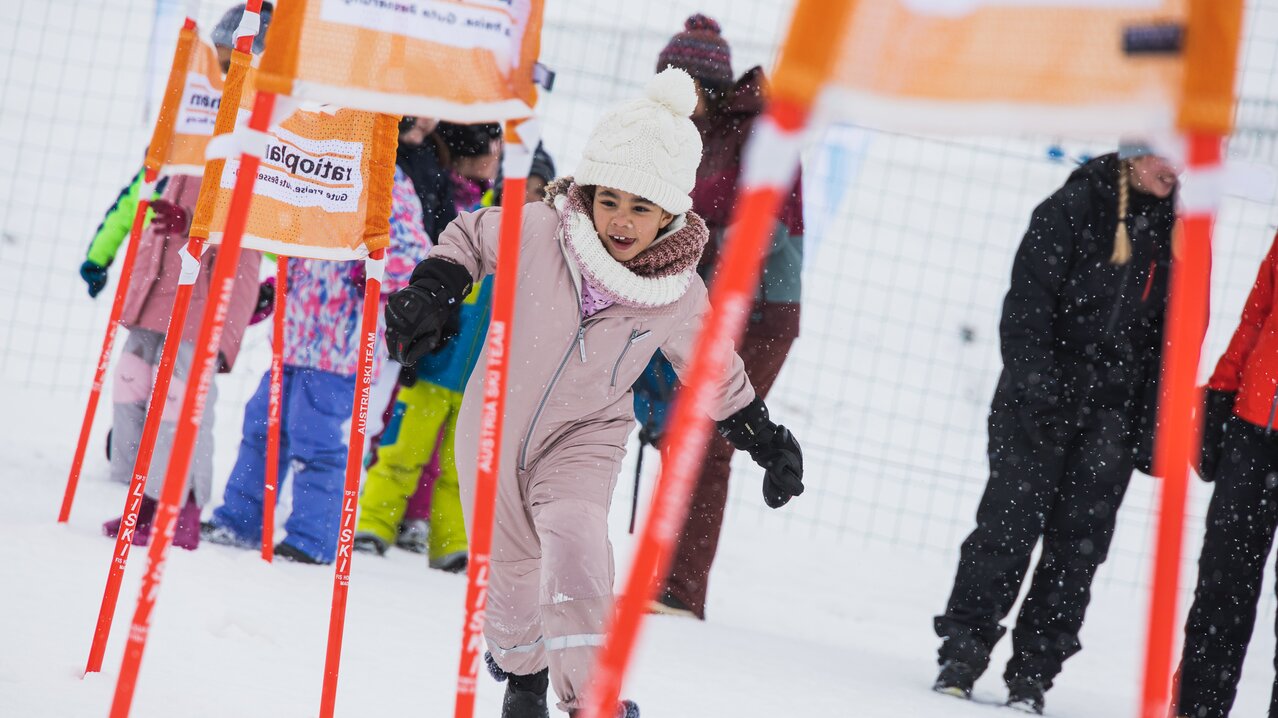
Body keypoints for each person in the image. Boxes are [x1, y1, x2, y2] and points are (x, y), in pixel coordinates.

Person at [383, 69, 806, 717]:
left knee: (578, 545)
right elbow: (470, 236)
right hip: (496, 416)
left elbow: (711, 366)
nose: (622, 221)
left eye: (642, 208)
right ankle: (524, 679)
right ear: (590, 191)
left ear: (670, 213)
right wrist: (432, 290)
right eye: (610, 201)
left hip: (586, 438)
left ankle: (592, 699)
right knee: (511, 571)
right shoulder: (543, 232)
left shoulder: (676, 292)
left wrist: (761, 434)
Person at [930, 144, 1179, 713]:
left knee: (1077, 553)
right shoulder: (1071, 207)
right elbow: (1026, 309)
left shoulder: (1181, 234)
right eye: (1165, 155)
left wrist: (1151, 426)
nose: (1176, 170)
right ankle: (962, 656)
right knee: (1006, 531)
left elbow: (1173, 343)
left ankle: (1034, 677)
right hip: (1038, 407)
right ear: (1135, 154)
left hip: (1111, 422)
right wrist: (1041, 391)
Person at [93, 2, 271, 550]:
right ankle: (141, 490)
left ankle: (182, 504)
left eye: (232, 64)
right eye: (218, 63)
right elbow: (150, 191)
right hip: (161, 283)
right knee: (135, 380)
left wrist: (204, 233)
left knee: (183, 398)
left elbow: (257, 227)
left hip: (207, 289)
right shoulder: (197, 119)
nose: (221, 75)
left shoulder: (259, 133)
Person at [645, 13, 805, 620]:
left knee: (707, 433)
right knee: (677, 431)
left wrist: (687, 246)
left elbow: (760, 230)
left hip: (759, 310)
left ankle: (680, 591)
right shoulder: (694, 131)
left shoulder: (762, 133)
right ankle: (660, 576)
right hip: (701, 299)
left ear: (700, 86)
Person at [200, 165, 431, 564]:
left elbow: (414, 254)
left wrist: (374, 267)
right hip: (292, 336)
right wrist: (282, 281)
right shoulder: (319, 166)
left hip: (339, 348)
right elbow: (290, 233)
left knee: (318, 442)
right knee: (262, 429)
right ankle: (241, 519)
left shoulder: (384, 181)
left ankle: (312, 538)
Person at [353, 125, 515, 570]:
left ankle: (451, 544)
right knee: (402, 451)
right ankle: (372, 523)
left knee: (461, 468)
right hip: (435, 370)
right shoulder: (476, 229)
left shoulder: (536, 252)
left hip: (480, 382)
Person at [1177, 231, 1278, 718]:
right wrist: (1222, 389)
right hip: (1253, 429)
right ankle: (1195, 709)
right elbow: (1258, 311)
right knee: (1220, 590)